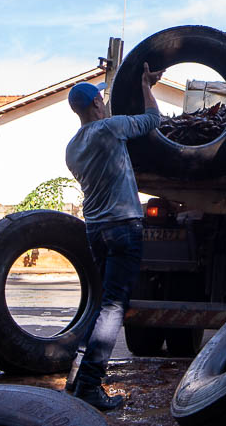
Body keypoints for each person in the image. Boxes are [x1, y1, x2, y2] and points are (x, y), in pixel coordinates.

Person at [64, 62, 164, 410]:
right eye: (102, 101)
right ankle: (90, 385)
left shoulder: (72, 148)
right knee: (112, 308)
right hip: (123, 227)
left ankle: (77, 377)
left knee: (103, 303)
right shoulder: (110, 128)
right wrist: (146, 85)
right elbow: (154, 119)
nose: (105, 104)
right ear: (95, 105)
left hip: (96, 229)